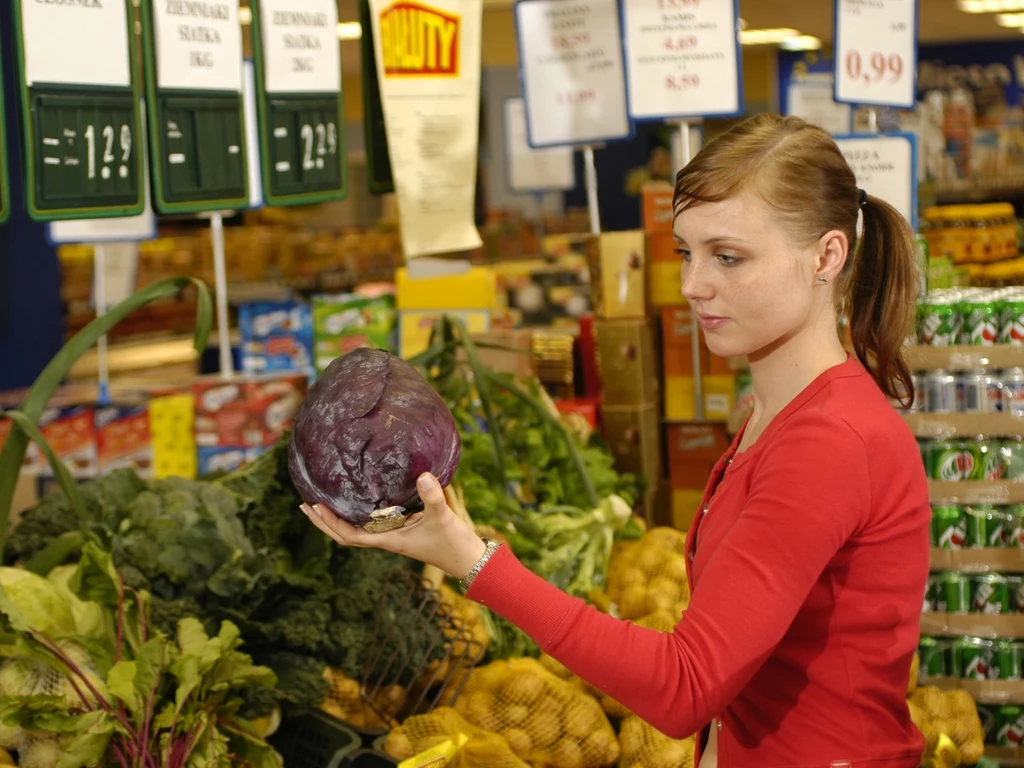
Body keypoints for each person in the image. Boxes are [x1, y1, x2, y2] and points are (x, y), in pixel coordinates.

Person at [300, 113, 931, 768]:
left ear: (827, 256)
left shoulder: (827, 441)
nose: (693, 284)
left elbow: (685, 686)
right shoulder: (782, 413)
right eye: (688, 252)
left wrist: (477, 562)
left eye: (729, 257)